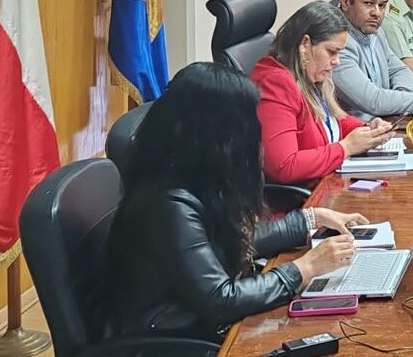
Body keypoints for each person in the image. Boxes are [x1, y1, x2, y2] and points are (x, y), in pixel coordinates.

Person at [103, 62, 371, 343]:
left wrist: (310, 219)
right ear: (216, 132)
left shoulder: (186, 171)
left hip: (203, 321)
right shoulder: (168, 203)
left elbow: (224, 243)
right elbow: (221, 300)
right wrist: (304, 269)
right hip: (184, 339)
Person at [252, 0, 395, 186]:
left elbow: (330, 120)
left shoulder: (308, 73)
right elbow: (284, 165)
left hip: (328, 183)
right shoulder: (275, 83)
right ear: (305, 44)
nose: (337, 61)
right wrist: (345, 148)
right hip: (304, 202)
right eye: (331, 52)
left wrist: (368, 129)